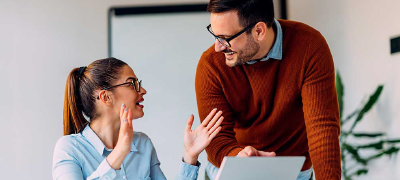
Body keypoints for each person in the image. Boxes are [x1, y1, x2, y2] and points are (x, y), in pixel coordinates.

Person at [195, 0, 341, 179]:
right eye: (215, 35)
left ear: (259, 31)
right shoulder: (211, 65)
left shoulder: (309, 47)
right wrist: (239, 156)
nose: (218, 46)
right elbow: (216, 140)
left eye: (226, 38)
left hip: (294, 169)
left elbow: (322, 129)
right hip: (234, 167)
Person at [53, 58, 224, 180]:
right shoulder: (69, 148)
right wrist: (118, 154)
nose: (142, 90)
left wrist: (190, 156)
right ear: (106, 97)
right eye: (132, 83)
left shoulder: (143, 144)